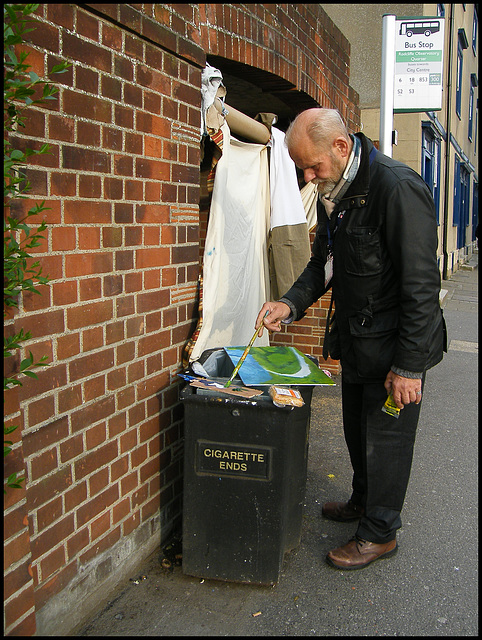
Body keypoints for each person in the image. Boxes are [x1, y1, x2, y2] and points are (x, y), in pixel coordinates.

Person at [256, 108, 446, 570]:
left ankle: (380, 533)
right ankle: (363, 501)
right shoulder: (337, 190)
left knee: (388, 441)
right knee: (358, 435)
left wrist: (408, 367)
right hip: (358, 344)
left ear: (340, 148)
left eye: (312, 166)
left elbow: (421, 286)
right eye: (301, 167)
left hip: (393, 351)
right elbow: (323, 262)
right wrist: (290, 303)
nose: (307, 176)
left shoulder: (396, 188)